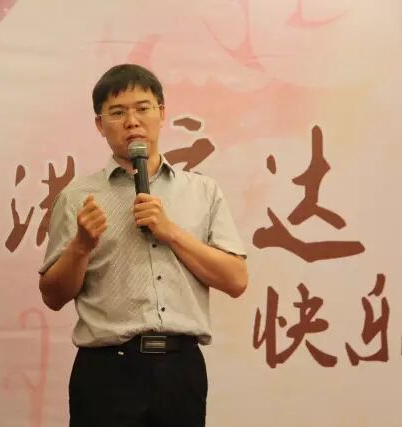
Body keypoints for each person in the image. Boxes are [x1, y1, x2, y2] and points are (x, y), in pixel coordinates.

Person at [38, 63, 248, 427]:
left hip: (180, 369)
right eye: (117, 112)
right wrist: (81, 247)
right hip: (106, 371)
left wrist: (171, 232)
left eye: (143, 108)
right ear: (100, 124)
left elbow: (236, 279)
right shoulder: (77, 197)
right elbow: (53, 295)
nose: (132, 121)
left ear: (162, 113)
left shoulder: (202, 191)